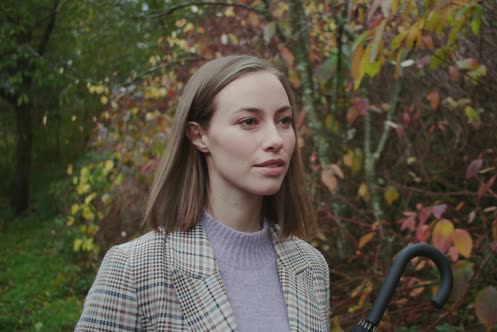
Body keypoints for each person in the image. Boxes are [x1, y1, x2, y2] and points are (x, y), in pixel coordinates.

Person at [75, 55, 330, 331]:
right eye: (248, 121)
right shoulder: (135, 269)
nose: (276, 139)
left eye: (284, 120)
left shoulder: (311, 267)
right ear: (199, 136)